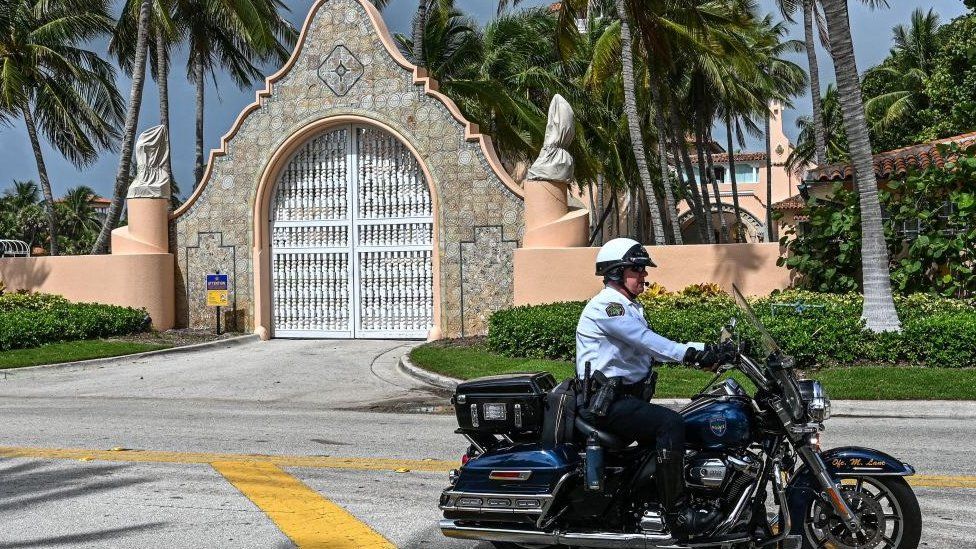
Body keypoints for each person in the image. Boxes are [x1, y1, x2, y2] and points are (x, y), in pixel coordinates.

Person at [575, 237, 733, 539]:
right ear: (616, 273)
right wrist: (693, 355)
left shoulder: (628, 307)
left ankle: (652, 502)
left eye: (643, 270)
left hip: (622, 400)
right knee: (669, 424)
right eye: (637, 270)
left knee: (682, 424)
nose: (644, 276)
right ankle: (678, 515)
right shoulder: (608, 308)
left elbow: (652, 341)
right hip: (605, 404)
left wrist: (710, 349)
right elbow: (649, 342)